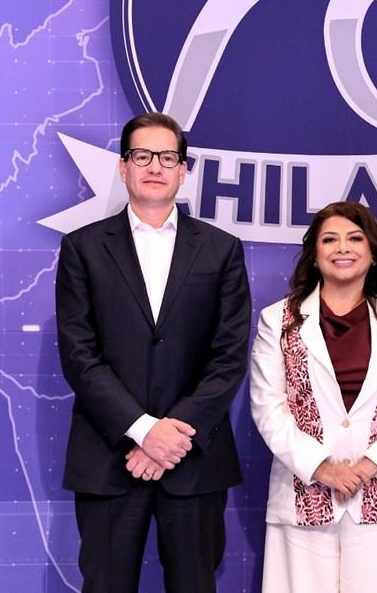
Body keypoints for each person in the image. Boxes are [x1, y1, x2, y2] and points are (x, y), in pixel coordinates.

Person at [55, 112, 251, 593]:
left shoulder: (221, 249)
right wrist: (143, 431)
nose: (155, 166)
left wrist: (173, 435)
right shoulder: (82, 248)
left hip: (193, 458)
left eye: (168, 157)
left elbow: (228, 355)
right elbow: (80, 355)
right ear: (124, 167)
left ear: (183, 170)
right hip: (109, 456)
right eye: (142, 155)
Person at [250, 201, 377, 593]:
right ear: (315, 255)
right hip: (304, 497)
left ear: (372, 253)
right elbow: (269, 408)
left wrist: (369, 466)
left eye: (355, 238)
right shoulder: (278, 320)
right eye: (330, 240)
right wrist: (323, 467)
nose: (343, 248)